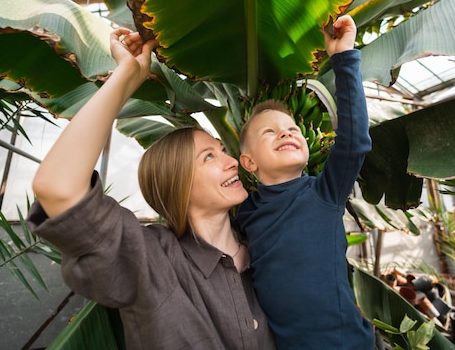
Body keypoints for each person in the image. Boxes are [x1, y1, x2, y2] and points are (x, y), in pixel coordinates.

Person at [27, 28, 276, 350]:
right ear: (178, 180)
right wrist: (127, 76)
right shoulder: (150, 259)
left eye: (224, 152)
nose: (232, 162)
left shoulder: (266, 246)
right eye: (209, 156)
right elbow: (57, 188)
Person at [236, 15, 375, 350]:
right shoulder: (244, 212)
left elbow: (354, 141)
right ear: (249, 162)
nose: (286, 132)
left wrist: (343, 57)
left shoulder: (323, 193)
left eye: (292, 129)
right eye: (269, 132)